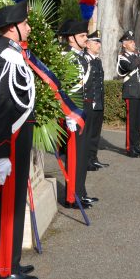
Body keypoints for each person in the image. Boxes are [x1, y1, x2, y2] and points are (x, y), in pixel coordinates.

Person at [0, 0, 38, 279]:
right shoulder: (4, 56)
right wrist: (1, 153)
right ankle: (3, 269)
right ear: (13, 28)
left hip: (16, 136)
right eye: (24, 23)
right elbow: (0, 108)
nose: (28, 27)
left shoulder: (8, 52)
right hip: (9, 140)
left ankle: (10, 260)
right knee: (7, 205)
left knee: (13, 205)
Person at [57, 19, 94, 208]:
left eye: (85, 35)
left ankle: (81, 192)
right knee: (74, 156)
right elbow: (60, 89)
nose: (86, 38)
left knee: (83, 155)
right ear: (71, 39)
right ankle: (72, 197)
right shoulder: (67, 59)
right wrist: (67, 114)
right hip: (73, 113)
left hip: (84, 111)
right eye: (82, 36)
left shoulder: (82, 57)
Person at [118, 30, 140, 157]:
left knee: (139, 122)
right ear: (124, 44)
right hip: (131, 92)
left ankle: (137, 146)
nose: (133, 43)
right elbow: (129, 67)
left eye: (133, 41)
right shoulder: (122, 57)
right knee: (132, 122)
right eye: (130, 42)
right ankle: (130, 148)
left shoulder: (137, 56)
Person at [84, 30, 108, 171]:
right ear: (87, 44)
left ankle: (93, 158)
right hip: (89, 103)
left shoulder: (97, 61)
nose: (99, 44)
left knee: (95, 134)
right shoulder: (84, 60)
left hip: (98, 102)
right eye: (96, 42)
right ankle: (86, 161)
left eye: (99, 42)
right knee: (88, 134)